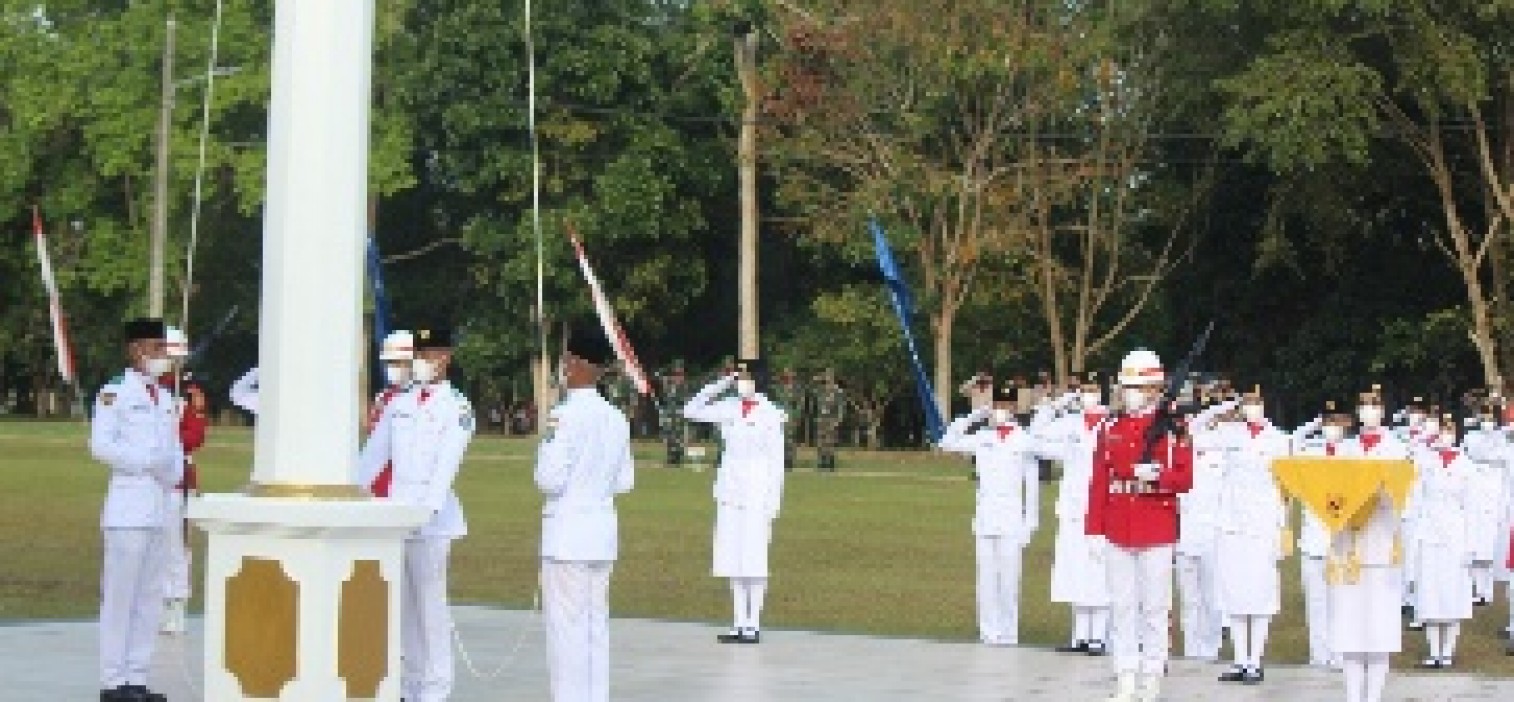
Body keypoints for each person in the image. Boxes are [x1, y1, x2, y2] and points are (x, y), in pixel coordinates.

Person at [358, 325, 474, 702]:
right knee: (404, 609)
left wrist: (425, 511)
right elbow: (375, 455)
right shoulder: (400, 402)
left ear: (446, 358)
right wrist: (350, 493)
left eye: (429, 356)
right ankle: (410, 686)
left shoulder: (457, 407)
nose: (423, 363)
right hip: (397, 516)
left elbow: (446, 466)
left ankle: (436, 689)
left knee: (430, 610)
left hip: (432, 521)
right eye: (419, 356)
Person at [1084, 348, 1194, 702]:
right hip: (1118, 524)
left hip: (1156, 525)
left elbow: (1185, 478)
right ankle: (1125, 677)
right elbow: (1099, 480)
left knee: (1154, 607)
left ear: (1152, 389)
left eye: (1135, 386)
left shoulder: (1174, 426)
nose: (1127, 392)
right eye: (1125, 386)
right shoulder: (1111, 426)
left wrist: (1158, 475)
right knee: (1122, 606)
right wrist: (1094, 530)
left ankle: (1151, 679)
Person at [535, 325, 635, 702]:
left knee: (567, 634)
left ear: (574, 365)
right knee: (595, 628)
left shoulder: (564, 416)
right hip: (601, 534)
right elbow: (624, 481)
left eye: (565, 361)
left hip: (568, 536)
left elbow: (548, 479)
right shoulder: (616, 418)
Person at [89, 318, 183, 702]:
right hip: (128, 509)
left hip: (160, 507)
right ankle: (113, 682)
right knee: (120, 599)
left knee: (150, 599)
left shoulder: (163, 398)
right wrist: (146, 461)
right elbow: (101, 445)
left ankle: (136, 678)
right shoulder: (115, 392)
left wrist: (168, 467)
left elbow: (175, 455)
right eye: (158, 349)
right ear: (137, 350)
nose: (164, 357)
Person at [683, 358, 787, 644]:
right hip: (730, 491)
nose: (741, 382)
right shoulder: (729, 407)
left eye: (745, 376)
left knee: (754, 559)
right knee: (732, 557)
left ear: (759, 380)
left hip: (757, 492)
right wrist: (723, 382)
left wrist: (773, 502)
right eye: (738, 377)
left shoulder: (771, 414)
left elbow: (776, 463)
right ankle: (738, 622)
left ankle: (754, 623)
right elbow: (691, 409)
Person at [941, 381, 1041, 645]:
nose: (1001, 410)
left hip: (1011, 518)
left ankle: (1008, 634)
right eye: (997, 405)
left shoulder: (1025, 440)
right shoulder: (983, 437)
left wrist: (1030, 524)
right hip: (985, 516)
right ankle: (988, 633)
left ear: (1014, 408)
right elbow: (947, 442)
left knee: (1009, 579)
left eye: (1006, 406)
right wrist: (975, 415)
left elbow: (1031, 485)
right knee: (985, 579)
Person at [1334, 385, 1409, 702]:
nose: (1368, 410)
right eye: (1363, 404)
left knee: (1379, 632)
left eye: (1374, 404)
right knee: (1351, 632)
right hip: (1349, 548)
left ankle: (1374, 696)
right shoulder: (1345, 449)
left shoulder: (1398, 450)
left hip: (1381, 546)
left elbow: (1405, 498)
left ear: (1384, 410)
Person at [1213, 387, 1290, 684]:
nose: (1251, 407)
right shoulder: (1228, 434)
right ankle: (1239, 660)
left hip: (1263, 525)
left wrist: (1282, 529)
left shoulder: (1280, 440)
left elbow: (1284, 489)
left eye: (1256, 402)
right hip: (1231, 523)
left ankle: (1255, 661)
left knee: (1260, 596)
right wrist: (1221, 409)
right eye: (1247, 403)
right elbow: (1194, 433)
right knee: (1234, 594)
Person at [1033, 372, 1113, 656]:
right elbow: (1037, 433)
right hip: (1073, 509)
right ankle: (1079, 635)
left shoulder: (1112, 423)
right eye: (1084, 390)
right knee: (1075, 569)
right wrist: (1059, 403)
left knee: (1100, 571)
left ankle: (1098, 637)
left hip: (1103, 508)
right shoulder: (1070, 423)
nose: (1087, 394)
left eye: (1092, 389)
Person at [1408, 414, 1475, 669]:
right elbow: (1410, 459)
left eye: (1449, 430)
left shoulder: (1466, 465)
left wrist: (1471, 546)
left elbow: (1471, 508)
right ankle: (1433, 651)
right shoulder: (1428, 461)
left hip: (1456, 534)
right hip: (1429, 533)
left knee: (1453, 594)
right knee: (1431, 593)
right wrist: (1425, 438)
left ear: (1455, 434)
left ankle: (1448, 651)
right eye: (1441, 431)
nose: (1444, 436)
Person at [1290, 404, 1353, 668]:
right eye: (1327, 422)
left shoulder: (1353, 453)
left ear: (1347, 424)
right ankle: (1318, 654)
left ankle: (1340, 653)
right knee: (1315, 603)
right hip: (1313, 537)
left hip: (1340, 537)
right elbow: (1292, 442)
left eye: (1336, 422)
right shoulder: (1311, 451)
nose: (1331, 427)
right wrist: (1314, 424)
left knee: (1340, 601)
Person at [1175, 392, 1237, 663]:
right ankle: (1192, 649)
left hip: (1212, 533)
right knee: (1189, 599)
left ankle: (1210, 650)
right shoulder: (1178, 451)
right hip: (1184, 534)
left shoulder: (1219, 451)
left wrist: (1226, 407)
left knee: (1212, 597)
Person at [157, 326, 208, 636]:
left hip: (177, 478)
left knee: (176, 545)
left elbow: (195, 436)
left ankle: (176, 604)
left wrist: (167, 438)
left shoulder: (190, 393)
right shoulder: (147, 389)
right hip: (149, 479)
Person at [367, 330, 414, 498]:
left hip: (406, 484)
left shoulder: (422, 398)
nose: (392, 368)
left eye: (398, 362)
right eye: (389, 363)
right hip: (376, 481)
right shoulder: (382, 397)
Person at [813, 369, 845, 472]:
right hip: (822, 418)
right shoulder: (821, 390)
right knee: (820, 442)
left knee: (830, 442)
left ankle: (830, 463)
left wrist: (838, 420)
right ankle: (821, 463)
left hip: (832, 418)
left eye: (829, 376)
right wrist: (818, 379)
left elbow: (841, 407)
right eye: (826, 376)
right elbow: (813, 391)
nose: (828, 378)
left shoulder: (837, 391)